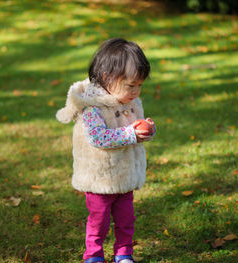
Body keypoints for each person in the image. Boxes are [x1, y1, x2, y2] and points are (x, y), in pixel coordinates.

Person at [56, 38, 156, 263]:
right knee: (99, 220)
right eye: (131, 85)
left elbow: (135, 127)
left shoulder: (130, 102)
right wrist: (131, 134)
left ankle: (124, 253)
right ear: (107, 78)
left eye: (140, 85)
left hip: (124, 176)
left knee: (126, 219)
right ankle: (93, 255)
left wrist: (147, 130)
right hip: (101, 179)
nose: (136, 91)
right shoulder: (92, 108)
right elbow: (98, 138)